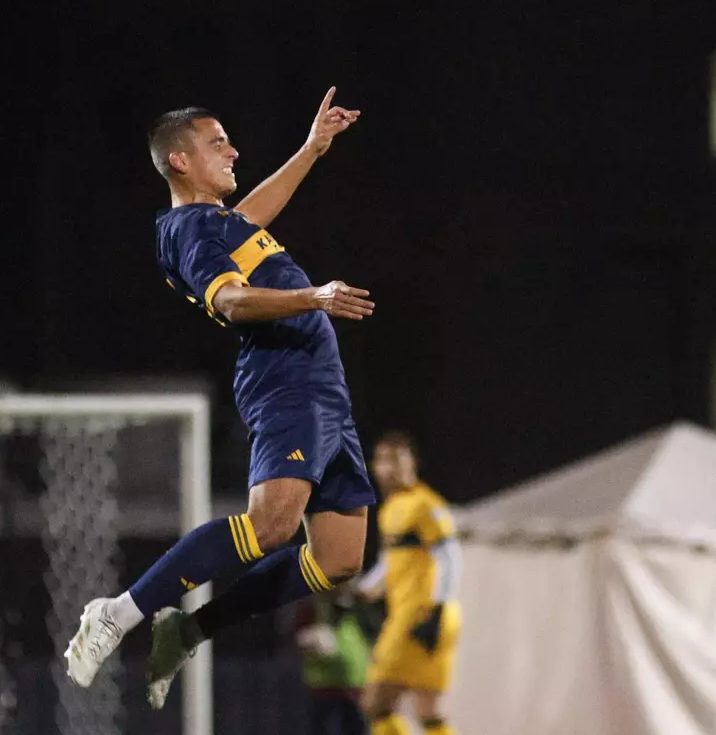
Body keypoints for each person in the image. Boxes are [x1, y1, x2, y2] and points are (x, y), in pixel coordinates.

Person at [66, 88, 377, 708]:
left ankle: (188, 628)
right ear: (180, 161)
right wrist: (313, 297)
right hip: (285, 377)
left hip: (323, 388)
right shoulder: (188, 228)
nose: (233, 150)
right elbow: (232, 300)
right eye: (218, 143)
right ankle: (119, 612)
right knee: (272, 525)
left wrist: (312, 149)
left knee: (341, 558)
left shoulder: (218, 224)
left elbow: (253, 213)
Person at [354, 431, 463, 735]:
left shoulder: (425, 504)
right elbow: (391, 564)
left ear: (411, 463)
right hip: (424, 615)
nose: (389, 468)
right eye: (383, 460)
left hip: (420, 615)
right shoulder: (391, 509)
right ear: (374, 466)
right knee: (429, 711)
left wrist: (438, 610)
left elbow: (451, 556)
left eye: (396, 459)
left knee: (376, 705)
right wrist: (362, 593)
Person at [286, 588, 372, 735]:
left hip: (357, 690)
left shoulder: (358, 604)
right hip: (324, 691)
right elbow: (295, 638)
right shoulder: (313, 606)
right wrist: (311, 640)